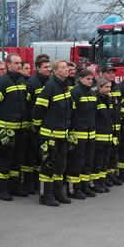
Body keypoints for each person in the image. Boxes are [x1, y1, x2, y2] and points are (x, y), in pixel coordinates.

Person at [0, 53, 29, 200]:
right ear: (8, 65)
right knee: (3, 159)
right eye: (16, 63)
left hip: (20, 128)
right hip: (5, 128)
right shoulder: (1, 83)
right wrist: (3, 117)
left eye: (20, 63)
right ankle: (1, 190)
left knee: (17, 159)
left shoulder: (22, 81)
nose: (19, 65)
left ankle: (14, 187)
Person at [34, 59, 74, 206]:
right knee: (48, 165)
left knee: (60, 165)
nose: (67, 69)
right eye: (63, 67)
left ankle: (58, 193)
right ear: (55, 71)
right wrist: (39, 128)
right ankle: (46, 195)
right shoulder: (50, 87)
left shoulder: (65, 86)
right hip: (50, 134)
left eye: (67, 67)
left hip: (62, 133)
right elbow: (38, 110)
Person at [68, 68, 99, 199]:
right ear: (80, 79)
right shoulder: (75, 92)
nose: (90, 81)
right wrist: (72, 131)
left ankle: (85, 186)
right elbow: (71, 113)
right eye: (88, 79)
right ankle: (75, 189)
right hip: (79, 133)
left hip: (90, 132)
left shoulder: (92, 93)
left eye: (91, 79)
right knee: (77, 162)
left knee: (88, 161)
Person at [23, 54, 51, 195]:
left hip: (46, 124)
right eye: (45, 67)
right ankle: (29, 184)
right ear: (37, 68)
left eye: (49, 66)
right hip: (33, 125)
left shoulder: (50, 82)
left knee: (42, 156)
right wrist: (32, 123)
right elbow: (27, 105)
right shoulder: (32, 83)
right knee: (31, 156)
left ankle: (36, 183)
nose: (48, 69)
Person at [92, 79, 113, 194]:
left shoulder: (109, 99)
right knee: (98, 161)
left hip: (108, 134)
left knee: (105, 161)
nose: (109, 89)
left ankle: (102, 182)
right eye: (106, 87)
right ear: (99, 87)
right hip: (99, 135)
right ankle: (96, 183)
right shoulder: (96, 99)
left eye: (109, 87)